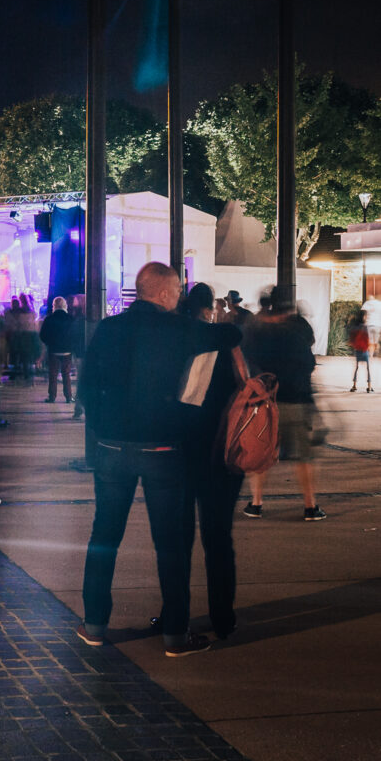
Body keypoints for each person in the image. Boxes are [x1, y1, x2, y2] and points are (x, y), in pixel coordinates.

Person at [76, 262, 241, 657]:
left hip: (113, 448)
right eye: (177, 292)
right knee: (169, 544)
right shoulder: (182, 330)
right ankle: (175, 636)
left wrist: (103, 431)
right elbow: (231, 334)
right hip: (164, 449)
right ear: (166, 293)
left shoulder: (108, 329)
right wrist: (226, 316)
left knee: (104, 537)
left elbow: (85, 388)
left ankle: (95, 623)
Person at [177, 282, 242, 640]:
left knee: (178, 539)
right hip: (222, 451)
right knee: (218, 538)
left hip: (180, 452)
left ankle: (176, 614)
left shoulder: (173, 337)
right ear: (208, 309)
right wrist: (227, 320)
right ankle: (222, 618)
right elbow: (233, 333)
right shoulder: (225, 337)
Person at [241, 286, 326, 521]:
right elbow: (309, 351)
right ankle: (310, 506)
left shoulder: (258, 329)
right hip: (297, 400)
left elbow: (247, 359)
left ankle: (256, 504)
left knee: (262, 455)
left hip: (266, 401)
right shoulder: (299, 326)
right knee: (303, 457)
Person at [39, 296, 75, 404]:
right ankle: (69, 397)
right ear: (65, 306)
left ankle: (52, 396)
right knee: (66, 374)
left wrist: (49, 343)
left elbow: (43, 335)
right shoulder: (70, 318)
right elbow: (75, 334)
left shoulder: (49, 319)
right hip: (67, 351)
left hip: (53, 350)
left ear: (54, 306)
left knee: (53, 375)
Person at [348, 310, 373, 393]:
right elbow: (367, 339)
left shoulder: (354, 327)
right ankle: (369, 387)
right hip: (364, 351)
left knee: (357, 368)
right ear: (363, 317)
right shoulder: (365, 327)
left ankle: (354, 385)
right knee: (368, 368)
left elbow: (352, 340)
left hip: (357, 350)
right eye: (366, 316)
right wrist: (369, 349)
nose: (366, 317)